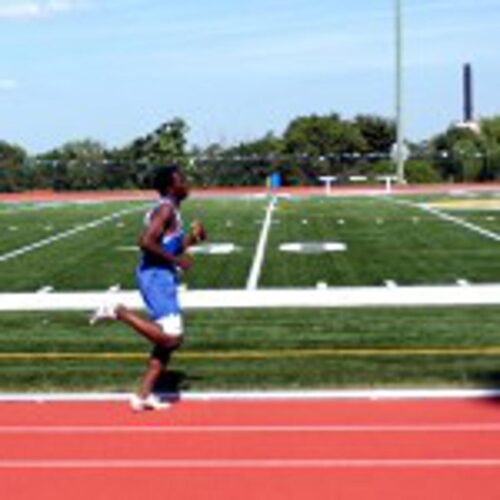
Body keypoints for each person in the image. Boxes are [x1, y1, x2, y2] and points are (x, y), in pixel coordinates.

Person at [90, 166, 206, 411]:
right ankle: (118, 311)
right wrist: (177, 261)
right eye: (181, 180)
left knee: (164, 344)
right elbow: (145, 241)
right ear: (170, 186)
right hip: (156, 276)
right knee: (172, 339)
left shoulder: (171, 210)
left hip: (161, 276)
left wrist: (193, 240)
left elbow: (169, 245)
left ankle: (142, 396)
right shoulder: (165, 209)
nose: (186, 183)